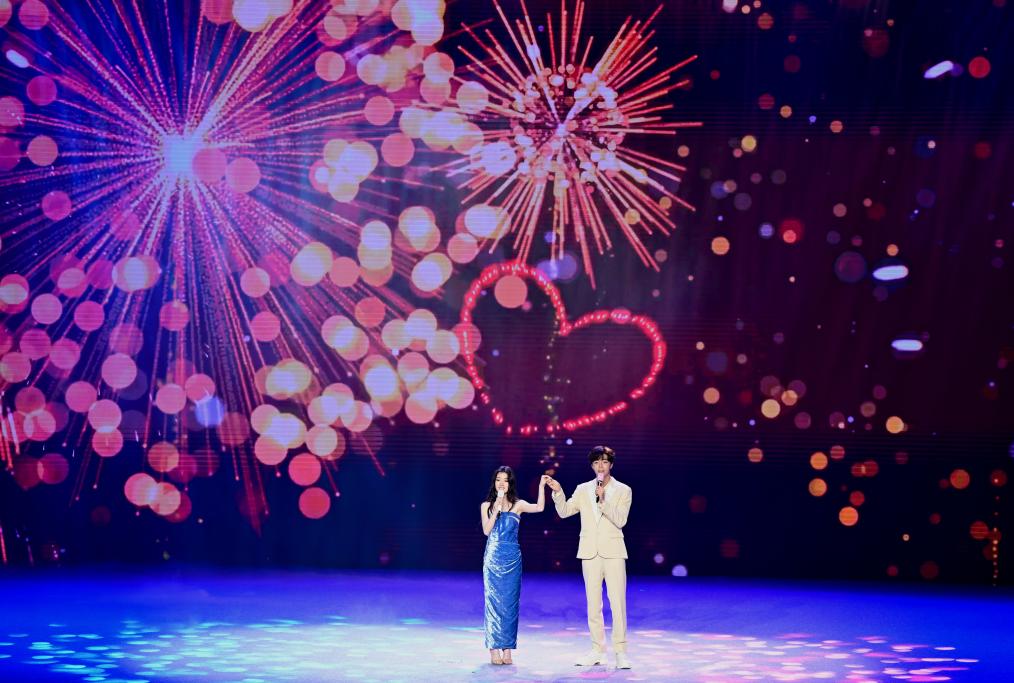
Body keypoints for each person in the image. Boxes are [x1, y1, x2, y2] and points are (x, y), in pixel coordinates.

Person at [547, 446, 633, 669]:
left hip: (613, 552)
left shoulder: (623, 490)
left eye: (604, 462)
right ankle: (597, 650)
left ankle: (620, 652)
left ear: (611, 464)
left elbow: (621, 520)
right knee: (593, 604)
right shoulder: (583, 489)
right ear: (592, 466)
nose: (600, 466)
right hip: (589, 552)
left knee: (617, 604)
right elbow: (565, 511)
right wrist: (558, 492)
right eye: (596, 463)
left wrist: (603, 501)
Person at [480, 466, 551, 665]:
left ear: (510, 483)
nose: (501, 483)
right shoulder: (486, 505)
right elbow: (486, 530)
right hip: (493, 559)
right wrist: (496, 507)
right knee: (493, 603)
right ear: (494, 483)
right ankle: (494, 648)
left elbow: (539, 507)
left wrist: (541, 486)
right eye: (498, 480)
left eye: (505, 480)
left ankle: (508, 648)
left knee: (510, 604)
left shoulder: (518, 505)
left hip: (512, 559)